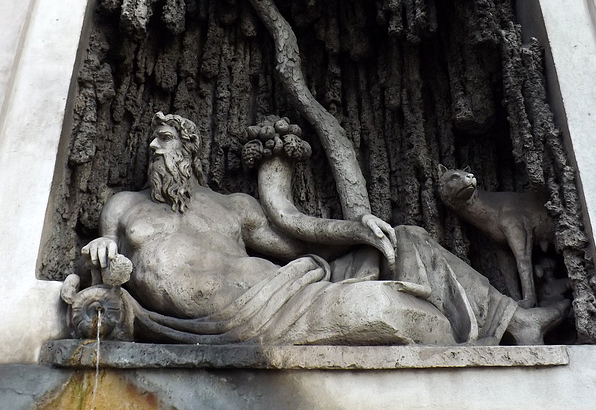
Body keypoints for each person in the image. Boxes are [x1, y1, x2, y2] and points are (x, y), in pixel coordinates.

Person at [82, 112, 567, 346]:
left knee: (409, 237)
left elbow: (295, 237)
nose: (153, 146)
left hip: (287, 288)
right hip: (241, 322)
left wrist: (357, 230)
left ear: (189, 150)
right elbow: (97, 267)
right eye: (152, 139)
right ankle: (488, 322)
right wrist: (97, 248)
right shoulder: (124, 206)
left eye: (164, 139)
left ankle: (514, 320)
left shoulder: (231, 205)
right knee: (402, 313)